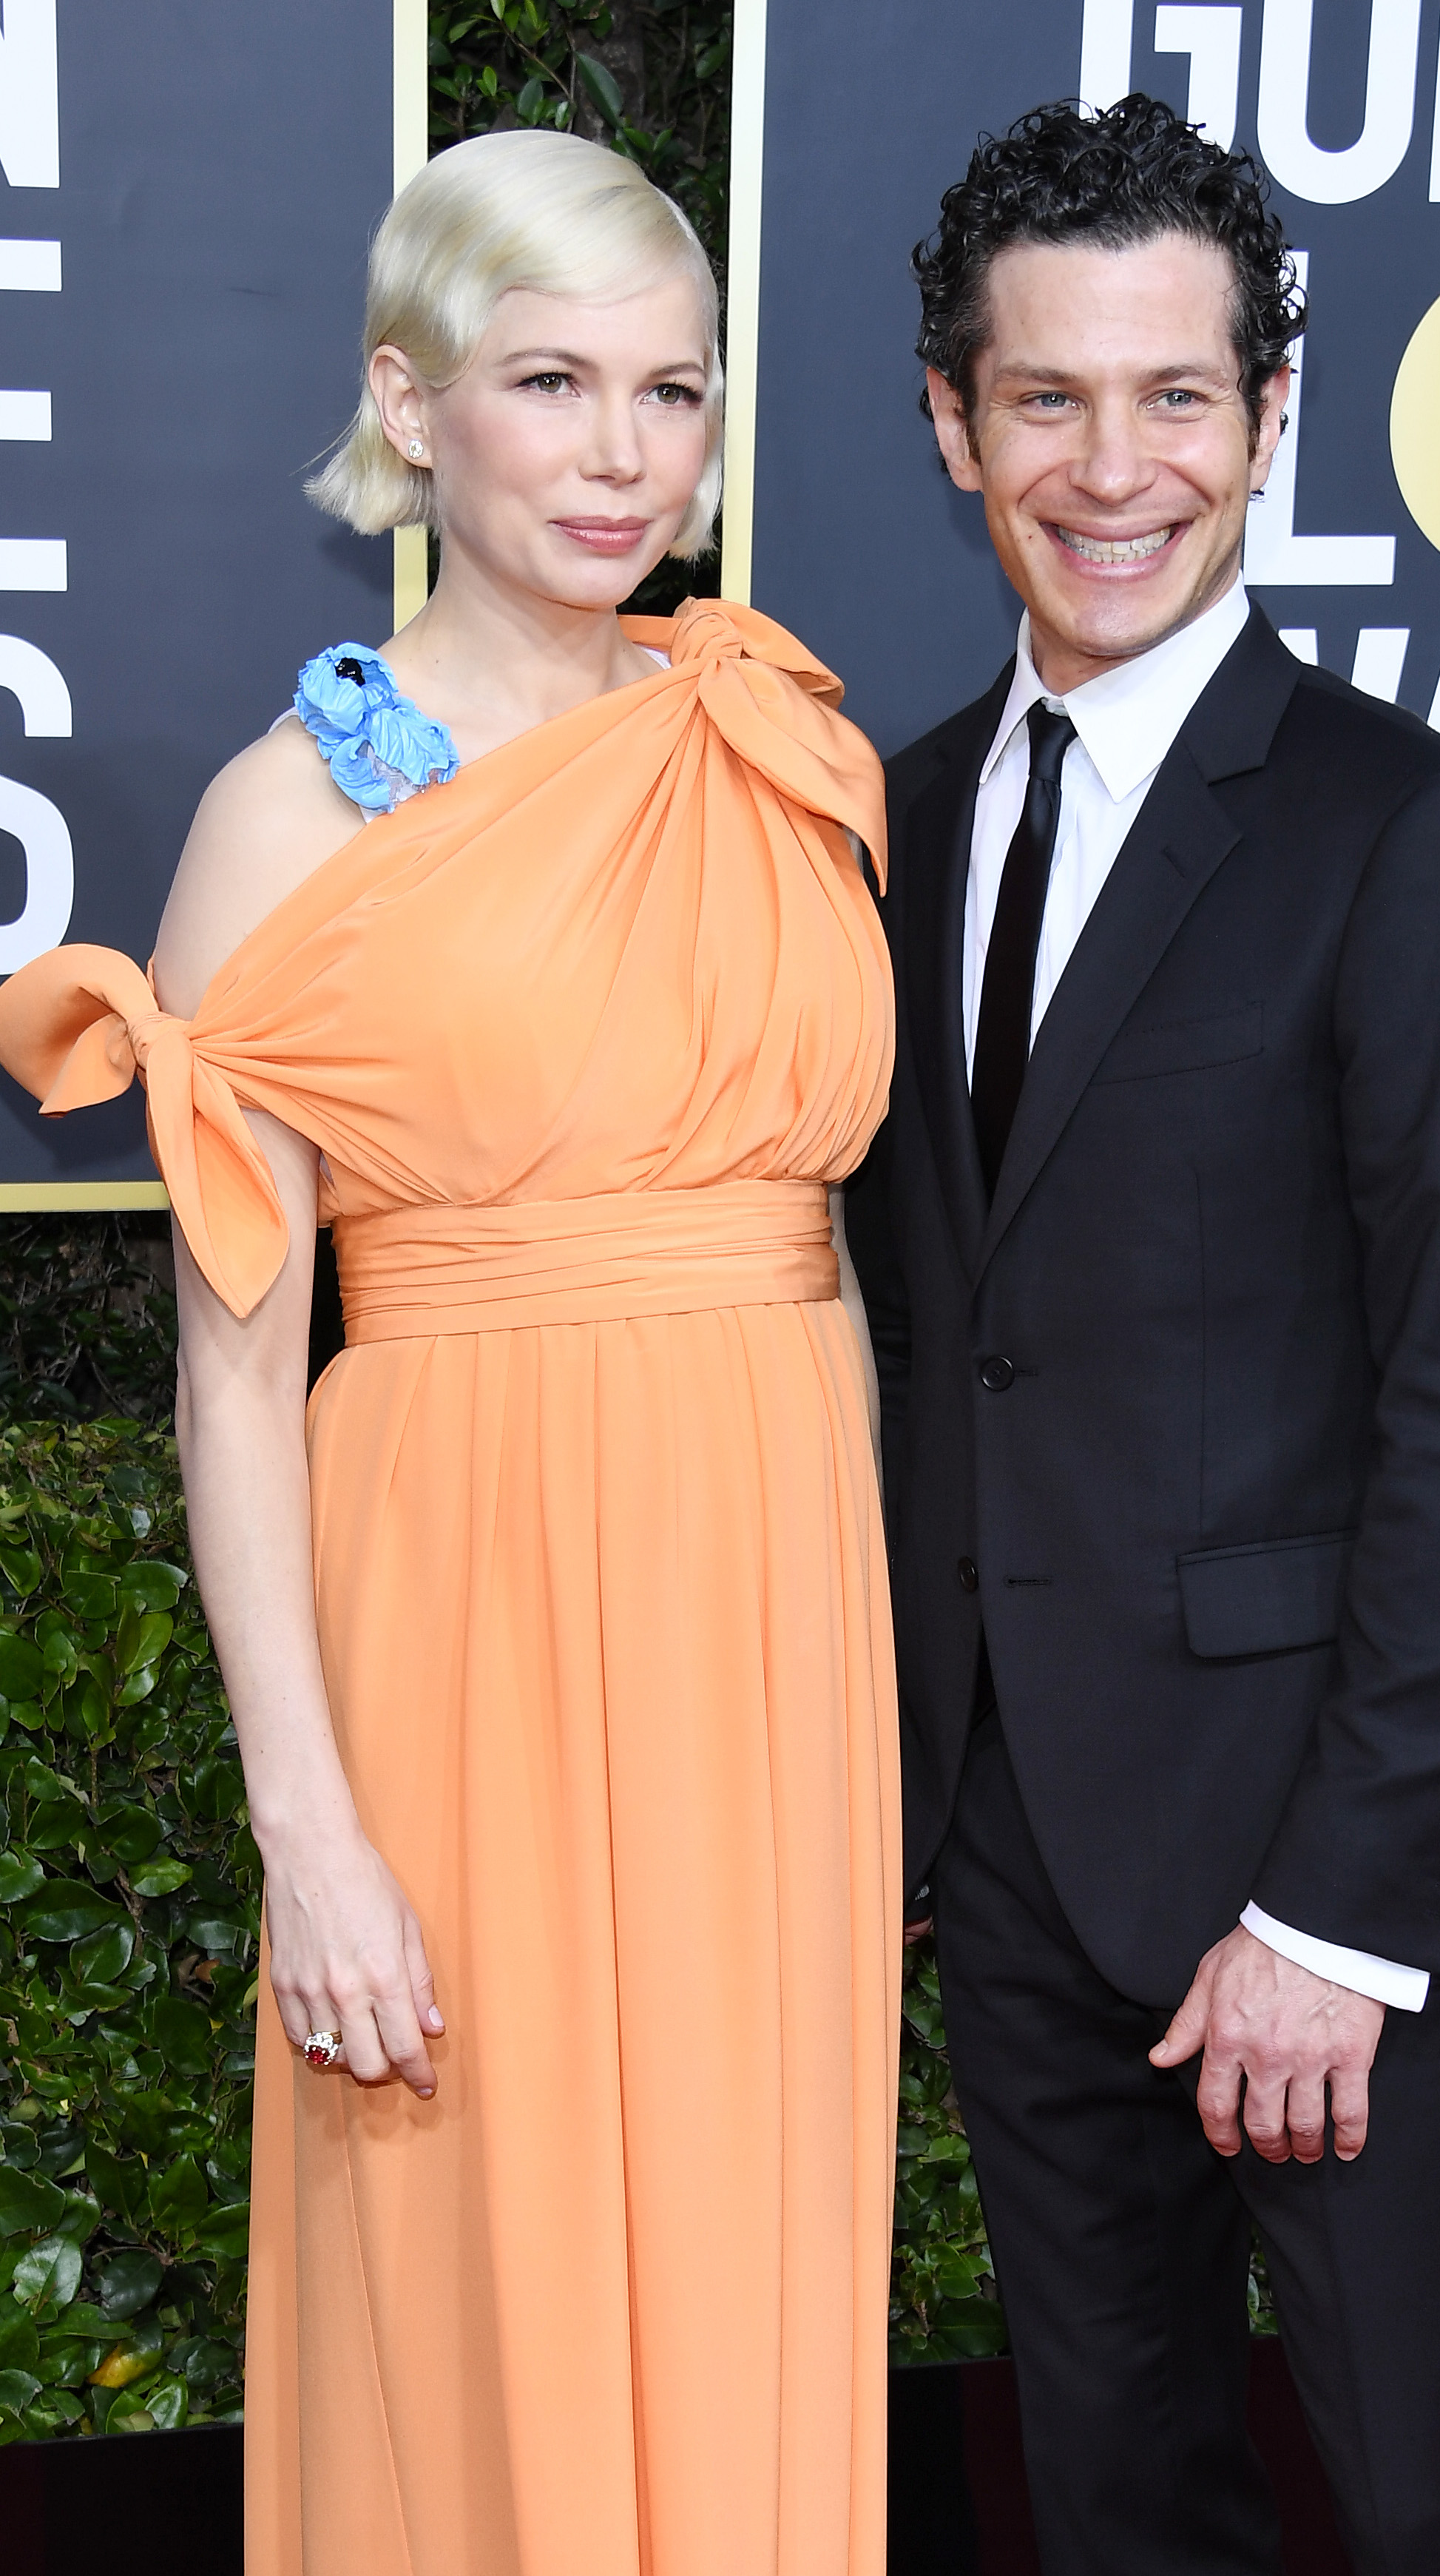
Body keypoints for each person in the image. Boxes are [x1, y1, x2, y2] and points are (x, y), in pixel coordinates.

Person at [0, 131, 899, 2576]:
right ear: (407, 404)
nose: (623, 454)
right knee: (473, 2286)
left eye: (672, 392)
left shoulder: (768, 743)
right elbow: (228, 1380)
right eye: (550, 382)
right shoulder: (284, 825)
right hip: (469, 1628)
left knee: (750, 2245)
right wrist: (312, 1826)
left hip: (774, 1632)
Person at [845, 95, 1440, 2576]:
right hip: (1018, 1876)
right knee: (1119, 2512)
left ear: (1271, 420)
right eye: (1046, 398)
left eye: (1176, 396)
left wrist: (1337, 1919)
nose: (1112, 465)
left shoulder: (1422, 838)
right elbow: (935, 1333)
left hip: (1326, 1898)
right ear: (955, 423)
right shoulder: (903, 819)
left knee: (1422, 2516)